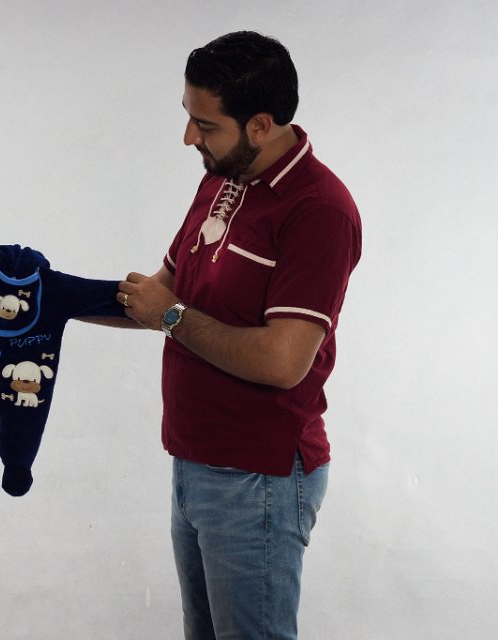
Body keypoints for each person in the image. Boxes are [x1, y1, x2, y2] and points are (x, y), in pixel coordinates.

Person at [113, 32, 362, 638]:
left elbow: (283, 361)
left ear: (260, 125)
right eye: (188, 117)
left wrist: (171, 316)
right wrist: (33, 295)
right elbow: (159, 293)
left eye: (205, 125)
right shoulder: (223, 177)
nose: (188, 137)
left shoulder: (318, 210)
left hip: (260, 480)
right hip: (194, 462)